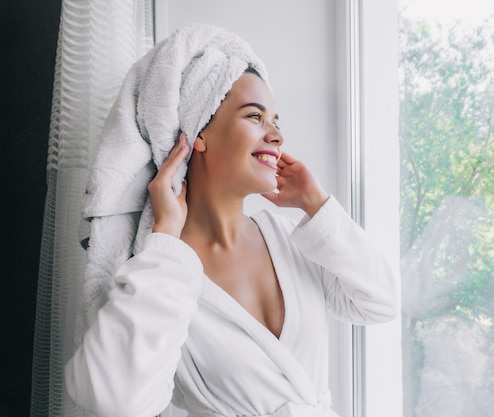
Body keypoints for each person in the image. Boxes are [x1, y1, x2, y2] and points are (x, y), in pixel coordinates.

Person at [65, 23, 397, 417]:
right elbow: (114, 402)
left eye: (277, 121)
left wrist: (317, 205)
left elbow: (379, 304)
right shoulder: (157, 271)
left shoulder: (291, 237)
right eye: (255, 117)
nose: (276, 135)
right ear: (197, 132)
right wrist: (168, 243)